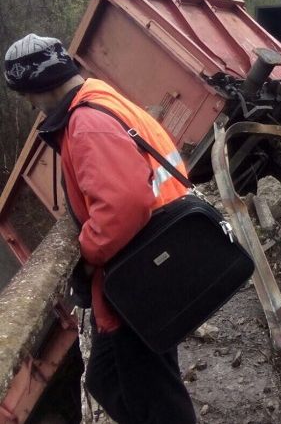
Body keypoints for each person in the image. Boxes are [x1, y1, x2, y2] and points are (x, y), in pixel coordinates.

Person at [4, 34, 196, 423]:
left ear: (42, 84)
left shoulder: (86, 123)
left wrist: (88, 257)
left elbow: (123, 206)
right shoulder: (100, 97)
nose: (30, 105)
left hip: (140, 277)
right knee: (106, 380)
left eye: (27, 94)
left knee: (158, 399)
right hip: (154, 262)